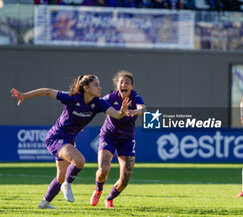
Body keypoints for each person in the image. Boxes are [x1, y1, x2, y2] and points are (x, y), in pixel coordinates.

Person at [11, 74, 130, 209]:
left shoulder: (98, 102)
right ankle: (67, 184)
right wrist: (24, 95)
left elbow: (116, 114)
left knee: (60, 177)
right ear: (85, 87)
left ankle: (44, 202)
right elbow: (48, 91)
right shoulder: (72, 97)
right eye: (96, 85)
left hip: (68, 141)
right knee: (79, 161)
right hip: (55, 138)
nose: (100, 87)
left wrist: (121, 112)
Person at [90, 71, 146, 208]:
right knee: (103, 170)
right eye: (121, 82)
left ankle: (109, 198)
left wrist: (134, 111)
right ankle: (98, 189)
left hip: (126, 139)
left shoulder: (135, 97)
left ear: (132, 86)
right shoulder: (111, 97)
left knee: (125, 178)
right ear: (117, 85)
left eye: (127, 82)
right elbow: (95, 106)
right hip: (108, 135)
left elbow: (143, 108)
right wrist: (80, 123)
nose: (123, 84)